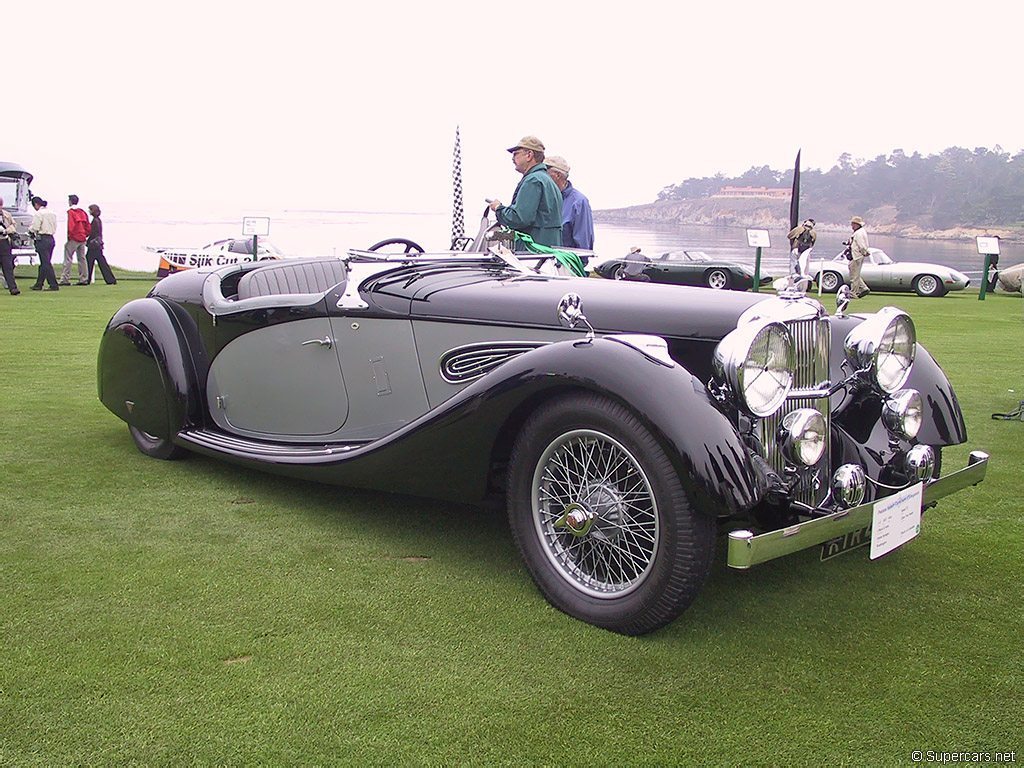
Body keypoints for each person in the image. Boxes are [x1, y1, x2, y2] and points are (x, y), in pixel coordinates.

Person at [487, 135, 562, 250]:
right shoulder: (548, 181)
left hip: (532, 255)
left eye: (516, 154)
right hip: (548, 255)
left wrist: (498, 208)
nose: (512, 159)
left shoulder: (533, 180)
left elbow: (519, 219)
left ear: (529, 155)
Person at [545, 155, 594, 255]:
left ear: (557, 175)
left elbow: (584, 247)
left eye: (545, 173)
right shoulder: (544, 198)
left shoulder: (578, 202)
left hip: (565, 265)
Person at [28, 197, 60, 291]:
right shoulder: (52, 213)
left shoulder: (39, 214)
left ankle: (53, 284)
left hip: (42, 239)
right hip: (51, 238)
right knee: (45, 262)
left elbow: (35, 227)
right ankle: (39, 283)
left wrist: (30, 231)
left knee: (45, 263)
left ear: (36, 204)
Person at [84, 204, 117, 285]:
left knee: (89, 262)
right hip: (97, 245)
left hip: (94, 245)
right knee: (101, 262)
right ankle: (110, 279)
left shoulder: (95, 221)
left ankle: (87, 279)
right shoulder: (98, 220)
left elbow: (93, 233)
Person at [62, 194, 90, 286]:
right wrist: (85, 234)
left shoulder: (71, 212)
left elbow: (71, 225)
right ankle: (84, 278)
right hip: (82, 237)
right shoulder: (83, 212)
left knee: (68, 258)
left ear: (70, 201)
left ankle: (65, 278)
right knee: (82, 258)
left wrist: (69, 236)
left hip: (74, 237)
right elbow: (88, 226)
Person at [848, 215, 871, 298]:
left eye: (853, 224)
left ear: (857, 224)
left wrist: (864, 252)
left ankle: (853, 292)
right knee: (855, 274)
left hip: (856, 256)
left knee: (854, 275)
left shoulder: (858, 233)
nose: (852, 226)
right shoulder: (861, 232)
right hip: (857, 255)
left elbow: (861, 245)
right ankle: (863, 287)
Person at [0, 197, 19, 295]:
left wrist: (6, 230)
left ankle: (13, 288)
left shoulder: (6, 215)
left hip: (4, 242)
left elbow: (13, 225)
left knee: (8, 267)